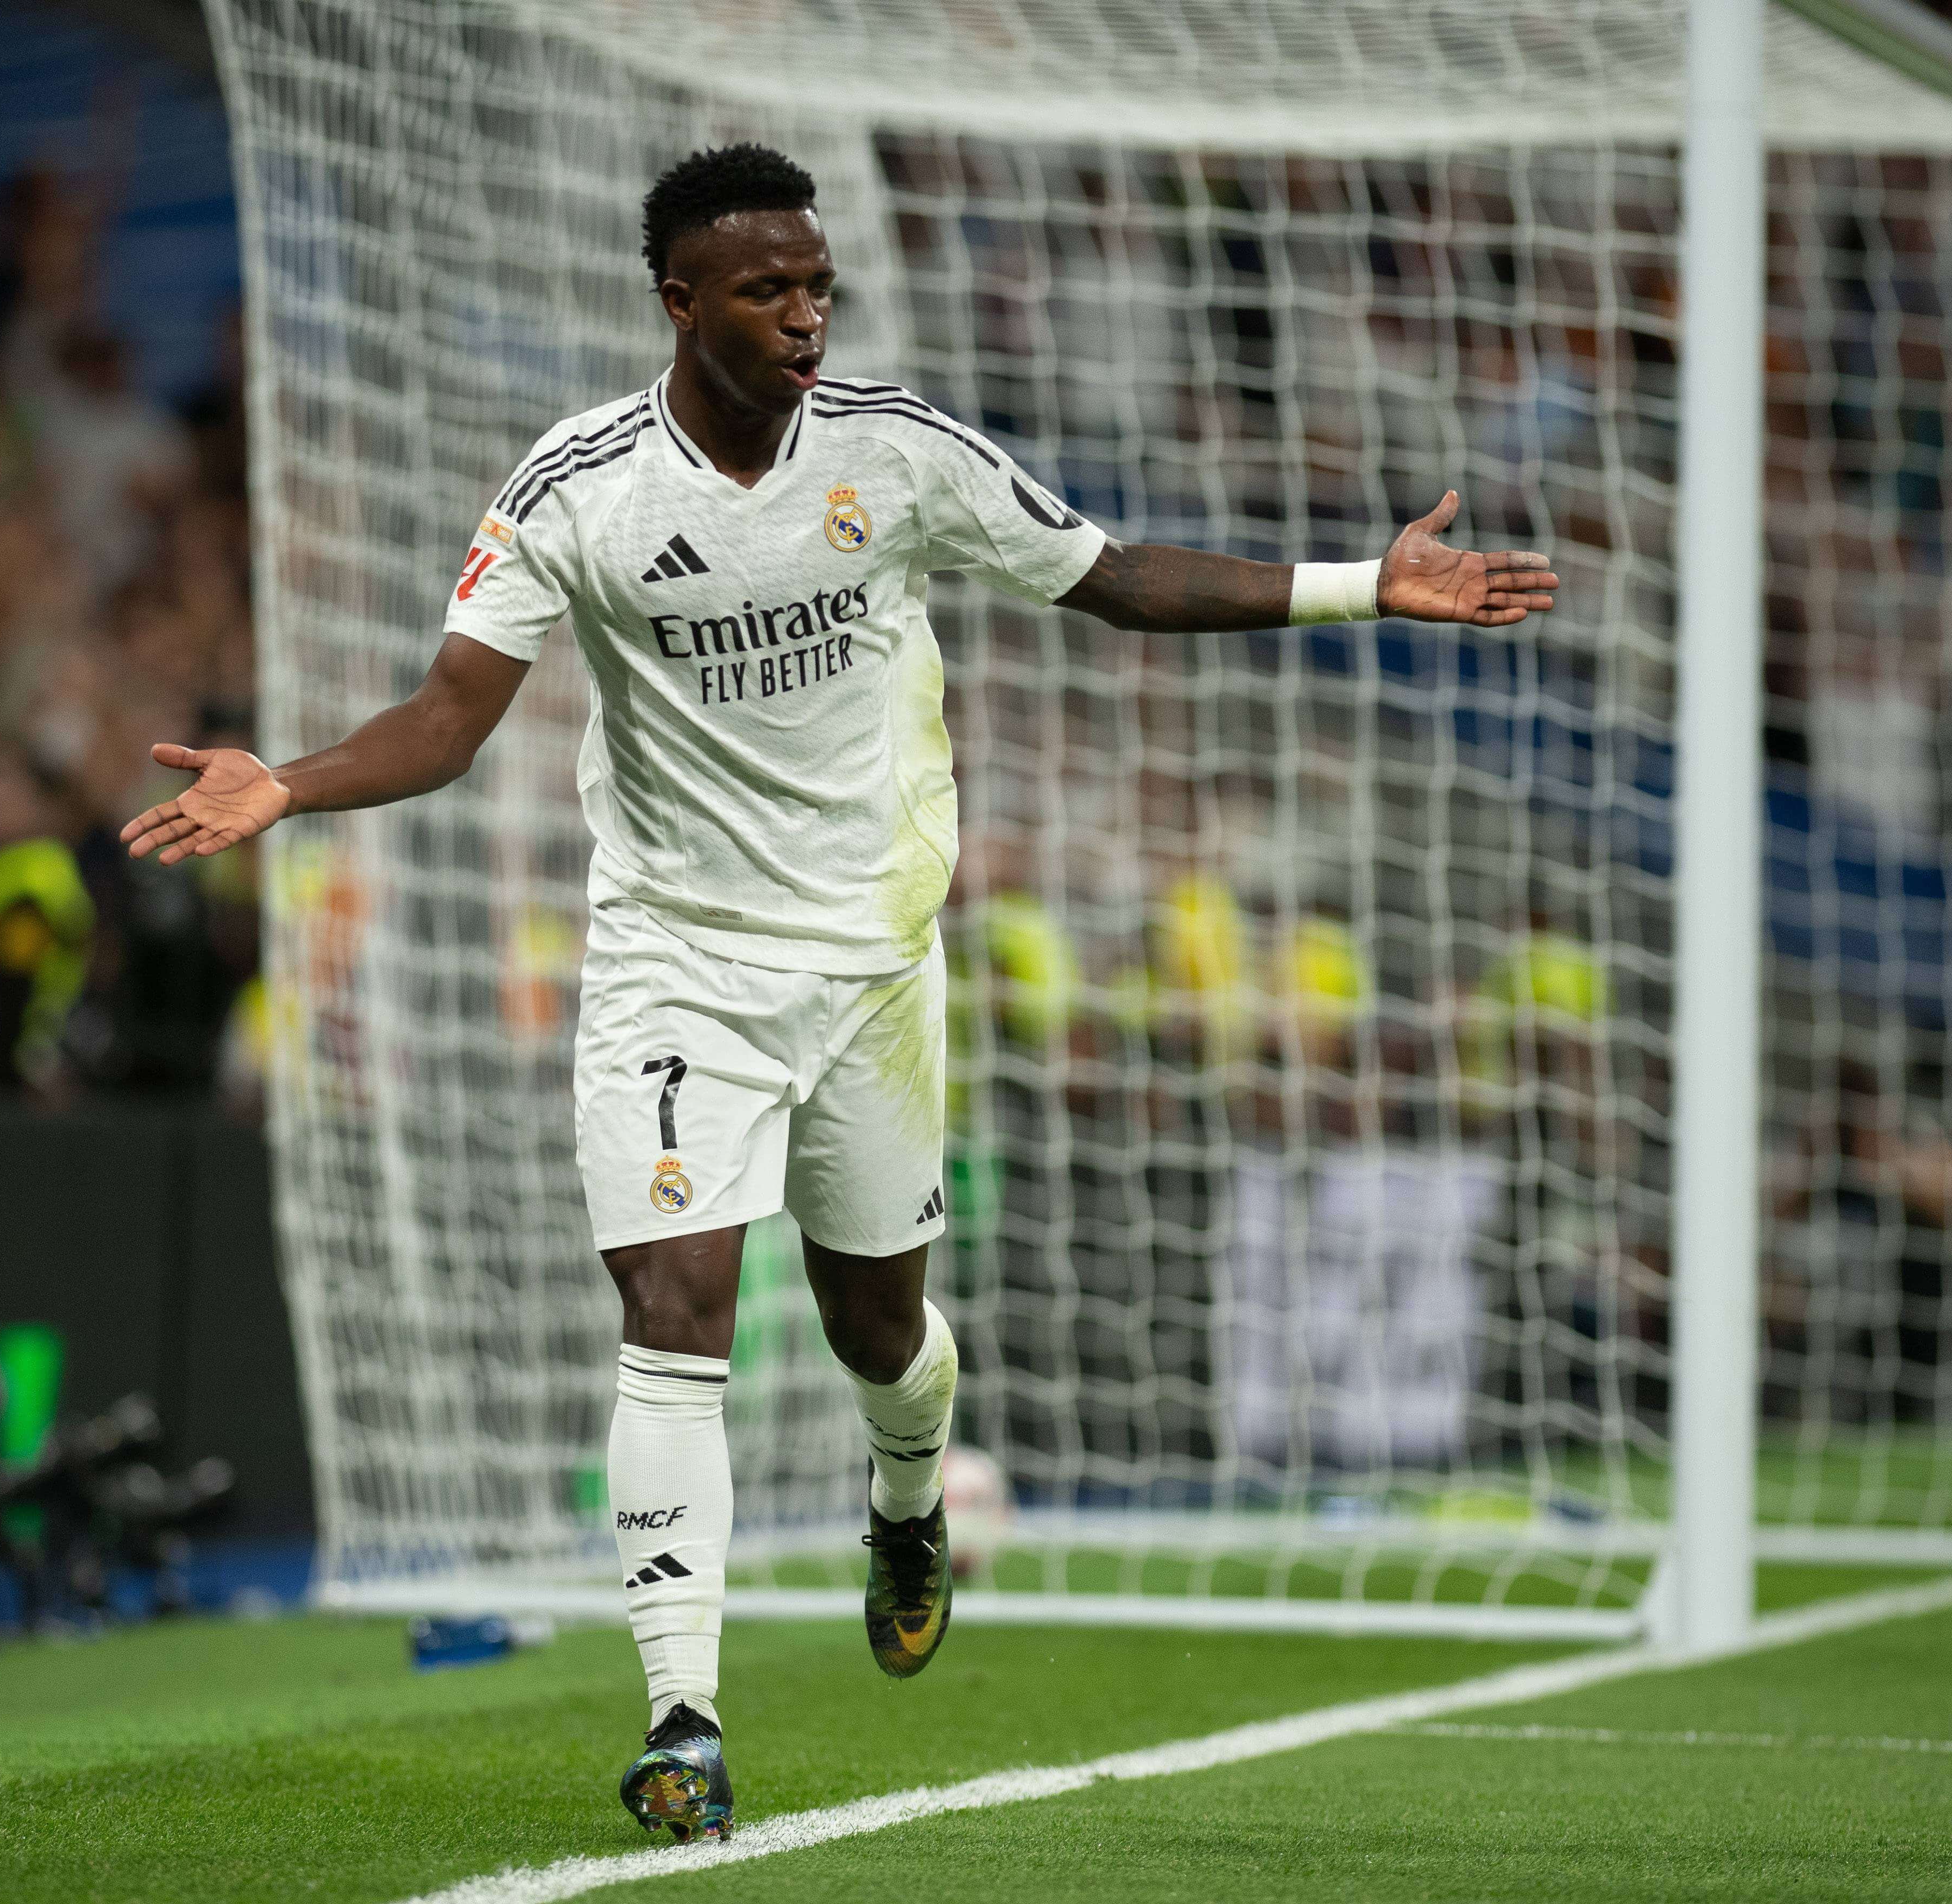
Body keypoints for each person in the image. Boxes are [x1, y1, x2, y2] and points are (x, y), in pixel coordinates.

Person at [121, 144, 1556, 1840]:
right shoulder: (576, 486)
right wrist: (286, 782)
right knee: (672, 1310)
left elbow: (1112, 577)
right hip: (674, 960)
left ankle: (905, 1496)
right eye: (765, 289)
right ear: (679, 301)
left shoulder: (898, 453)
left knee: (883, 1334)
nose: (805, 314)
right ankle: (681, 1716)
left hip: (870, 963)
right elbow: (448, 714)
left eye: (816, 285)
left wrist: (1357, 587)